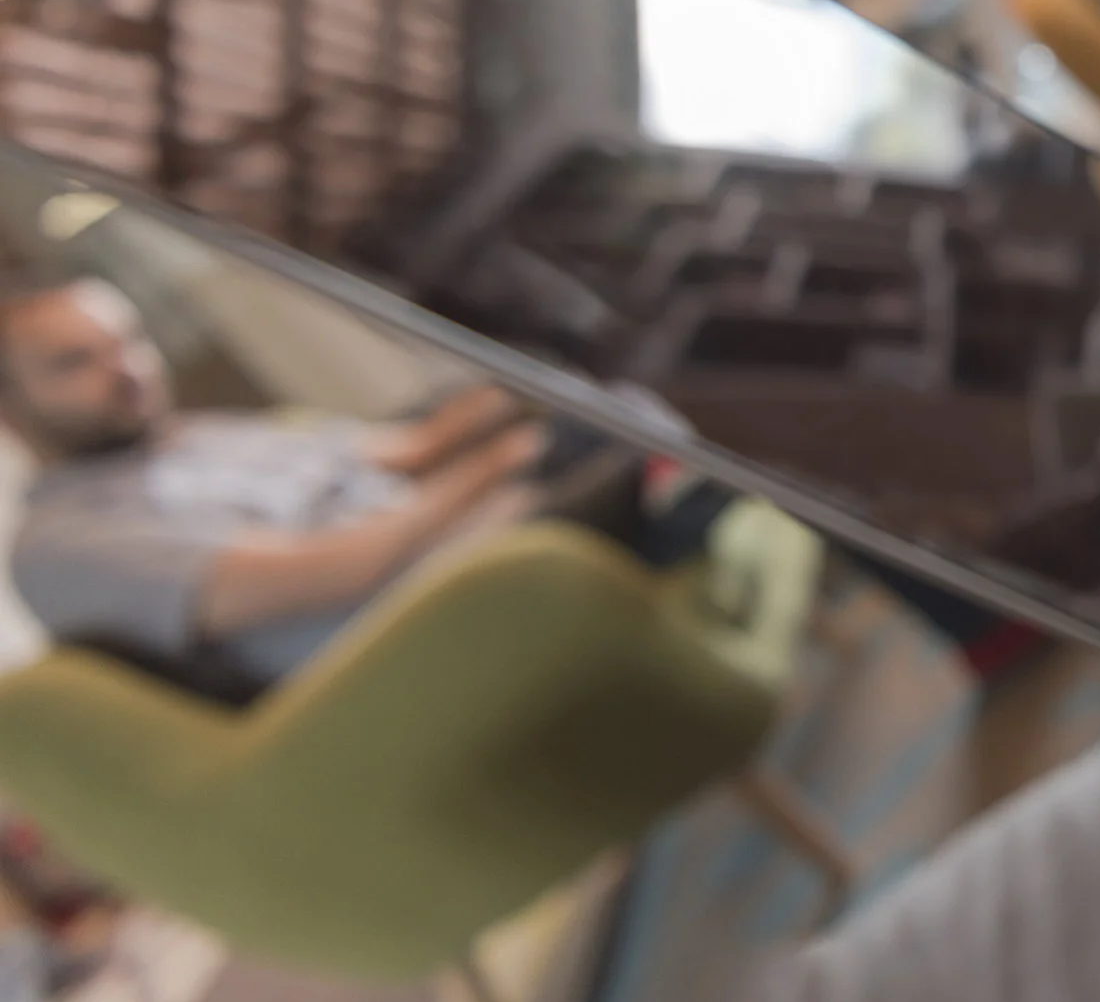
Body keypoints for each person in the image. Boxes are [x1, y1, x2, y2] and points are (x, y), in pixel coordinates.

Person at [3, 277, 696, 694]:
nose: (126, 369)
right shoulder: (66, 541)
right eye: (74, 363)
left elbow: (405, 451)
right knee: (652, 418)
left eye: (128, 341)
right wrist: (499, 465)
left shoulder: (191, 434)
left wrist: (512, 383)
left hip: (462, 545)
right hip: (412, 627)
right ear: (12, 409)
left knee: (609, 375)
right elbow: (339, 569)